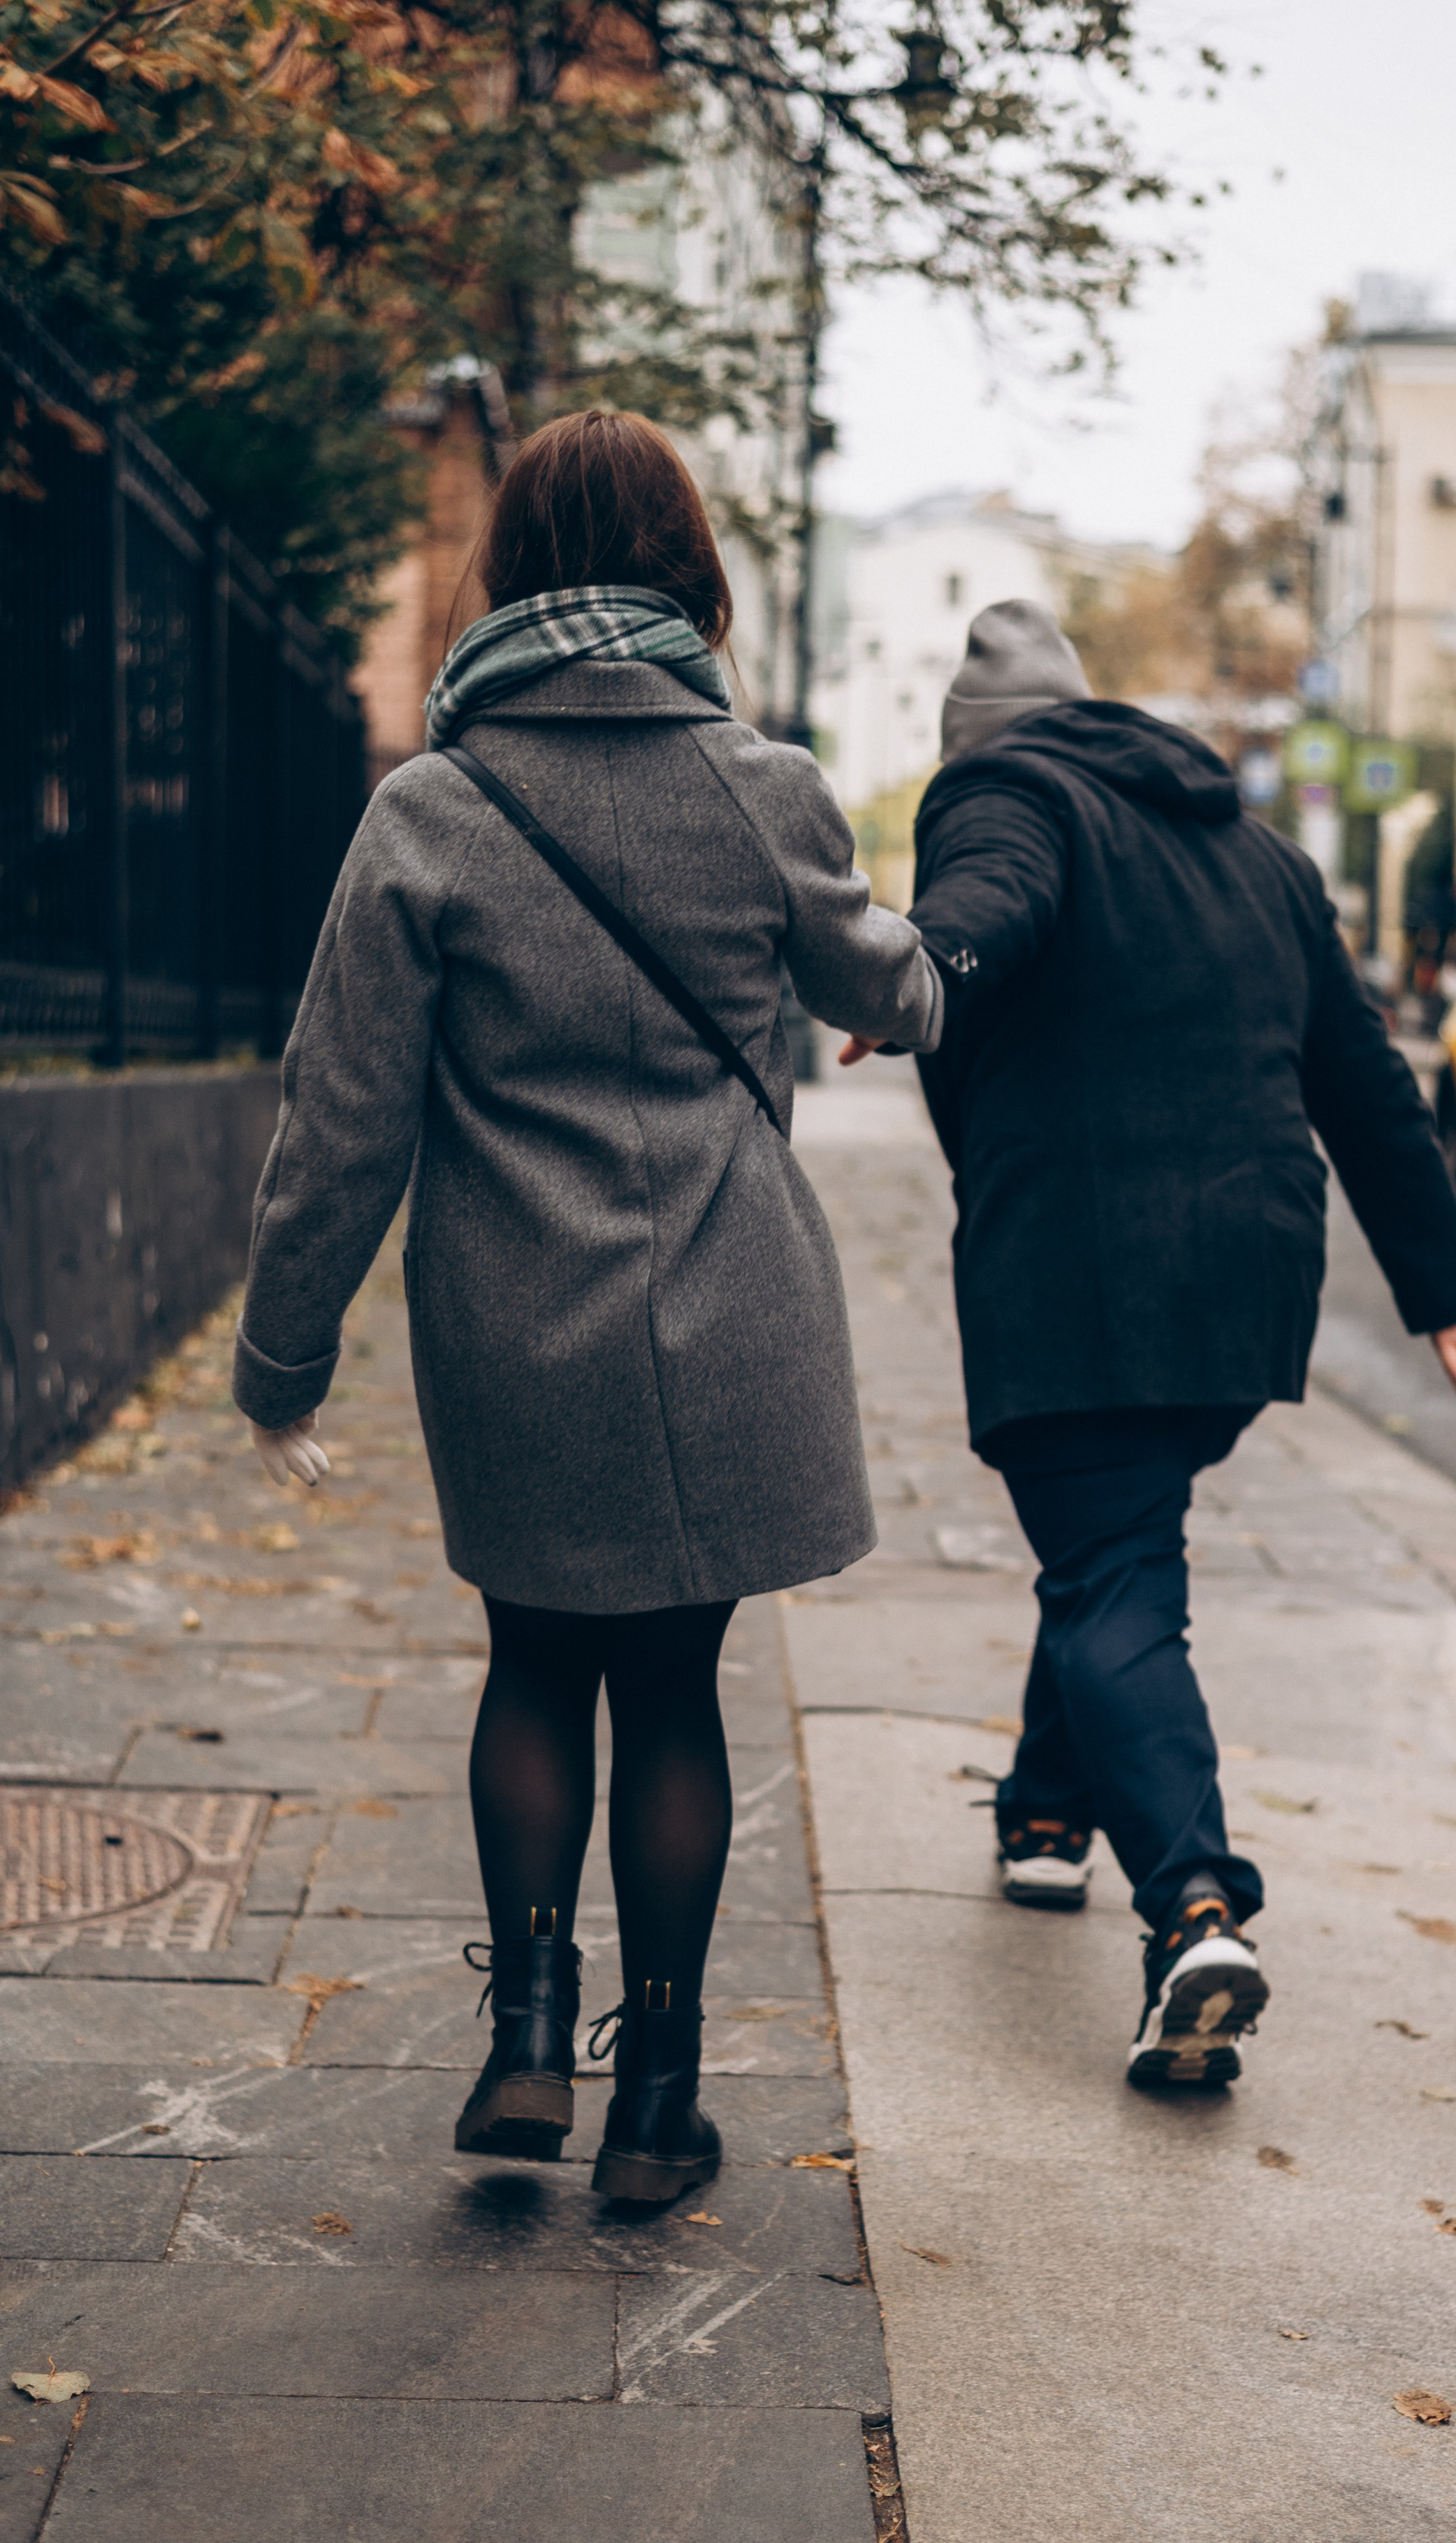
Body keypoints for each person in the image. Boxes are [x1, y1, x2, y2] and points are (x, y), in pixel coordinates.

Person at [233, 412, 942, 2200]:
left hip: (506, 1313)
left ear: (513, 573)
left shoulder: (430, 808)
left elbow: (341, 1116)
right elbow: (898, 986)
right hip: (728, 1307)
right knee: (678, 1691)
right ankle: (660, 2102)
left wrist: (282, 1357)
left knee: (535, 1657)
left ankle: (532, 2038)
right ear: (687, 568)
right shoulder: (764, 785)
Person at [848, 599, 1456, 2092]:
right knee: (1115, 1548)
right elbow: (1362, 1082)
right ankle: (1041, 1811)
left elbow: (986, 911)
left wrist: (910, 972)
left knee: (1112, 1580)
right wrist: (1449, 1287)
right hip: (1244, 1281)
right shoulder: (1257, 850)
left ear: (980, 747)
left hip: (1087, 1272)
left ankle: (1193, 1910)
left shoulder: (1007, 796)